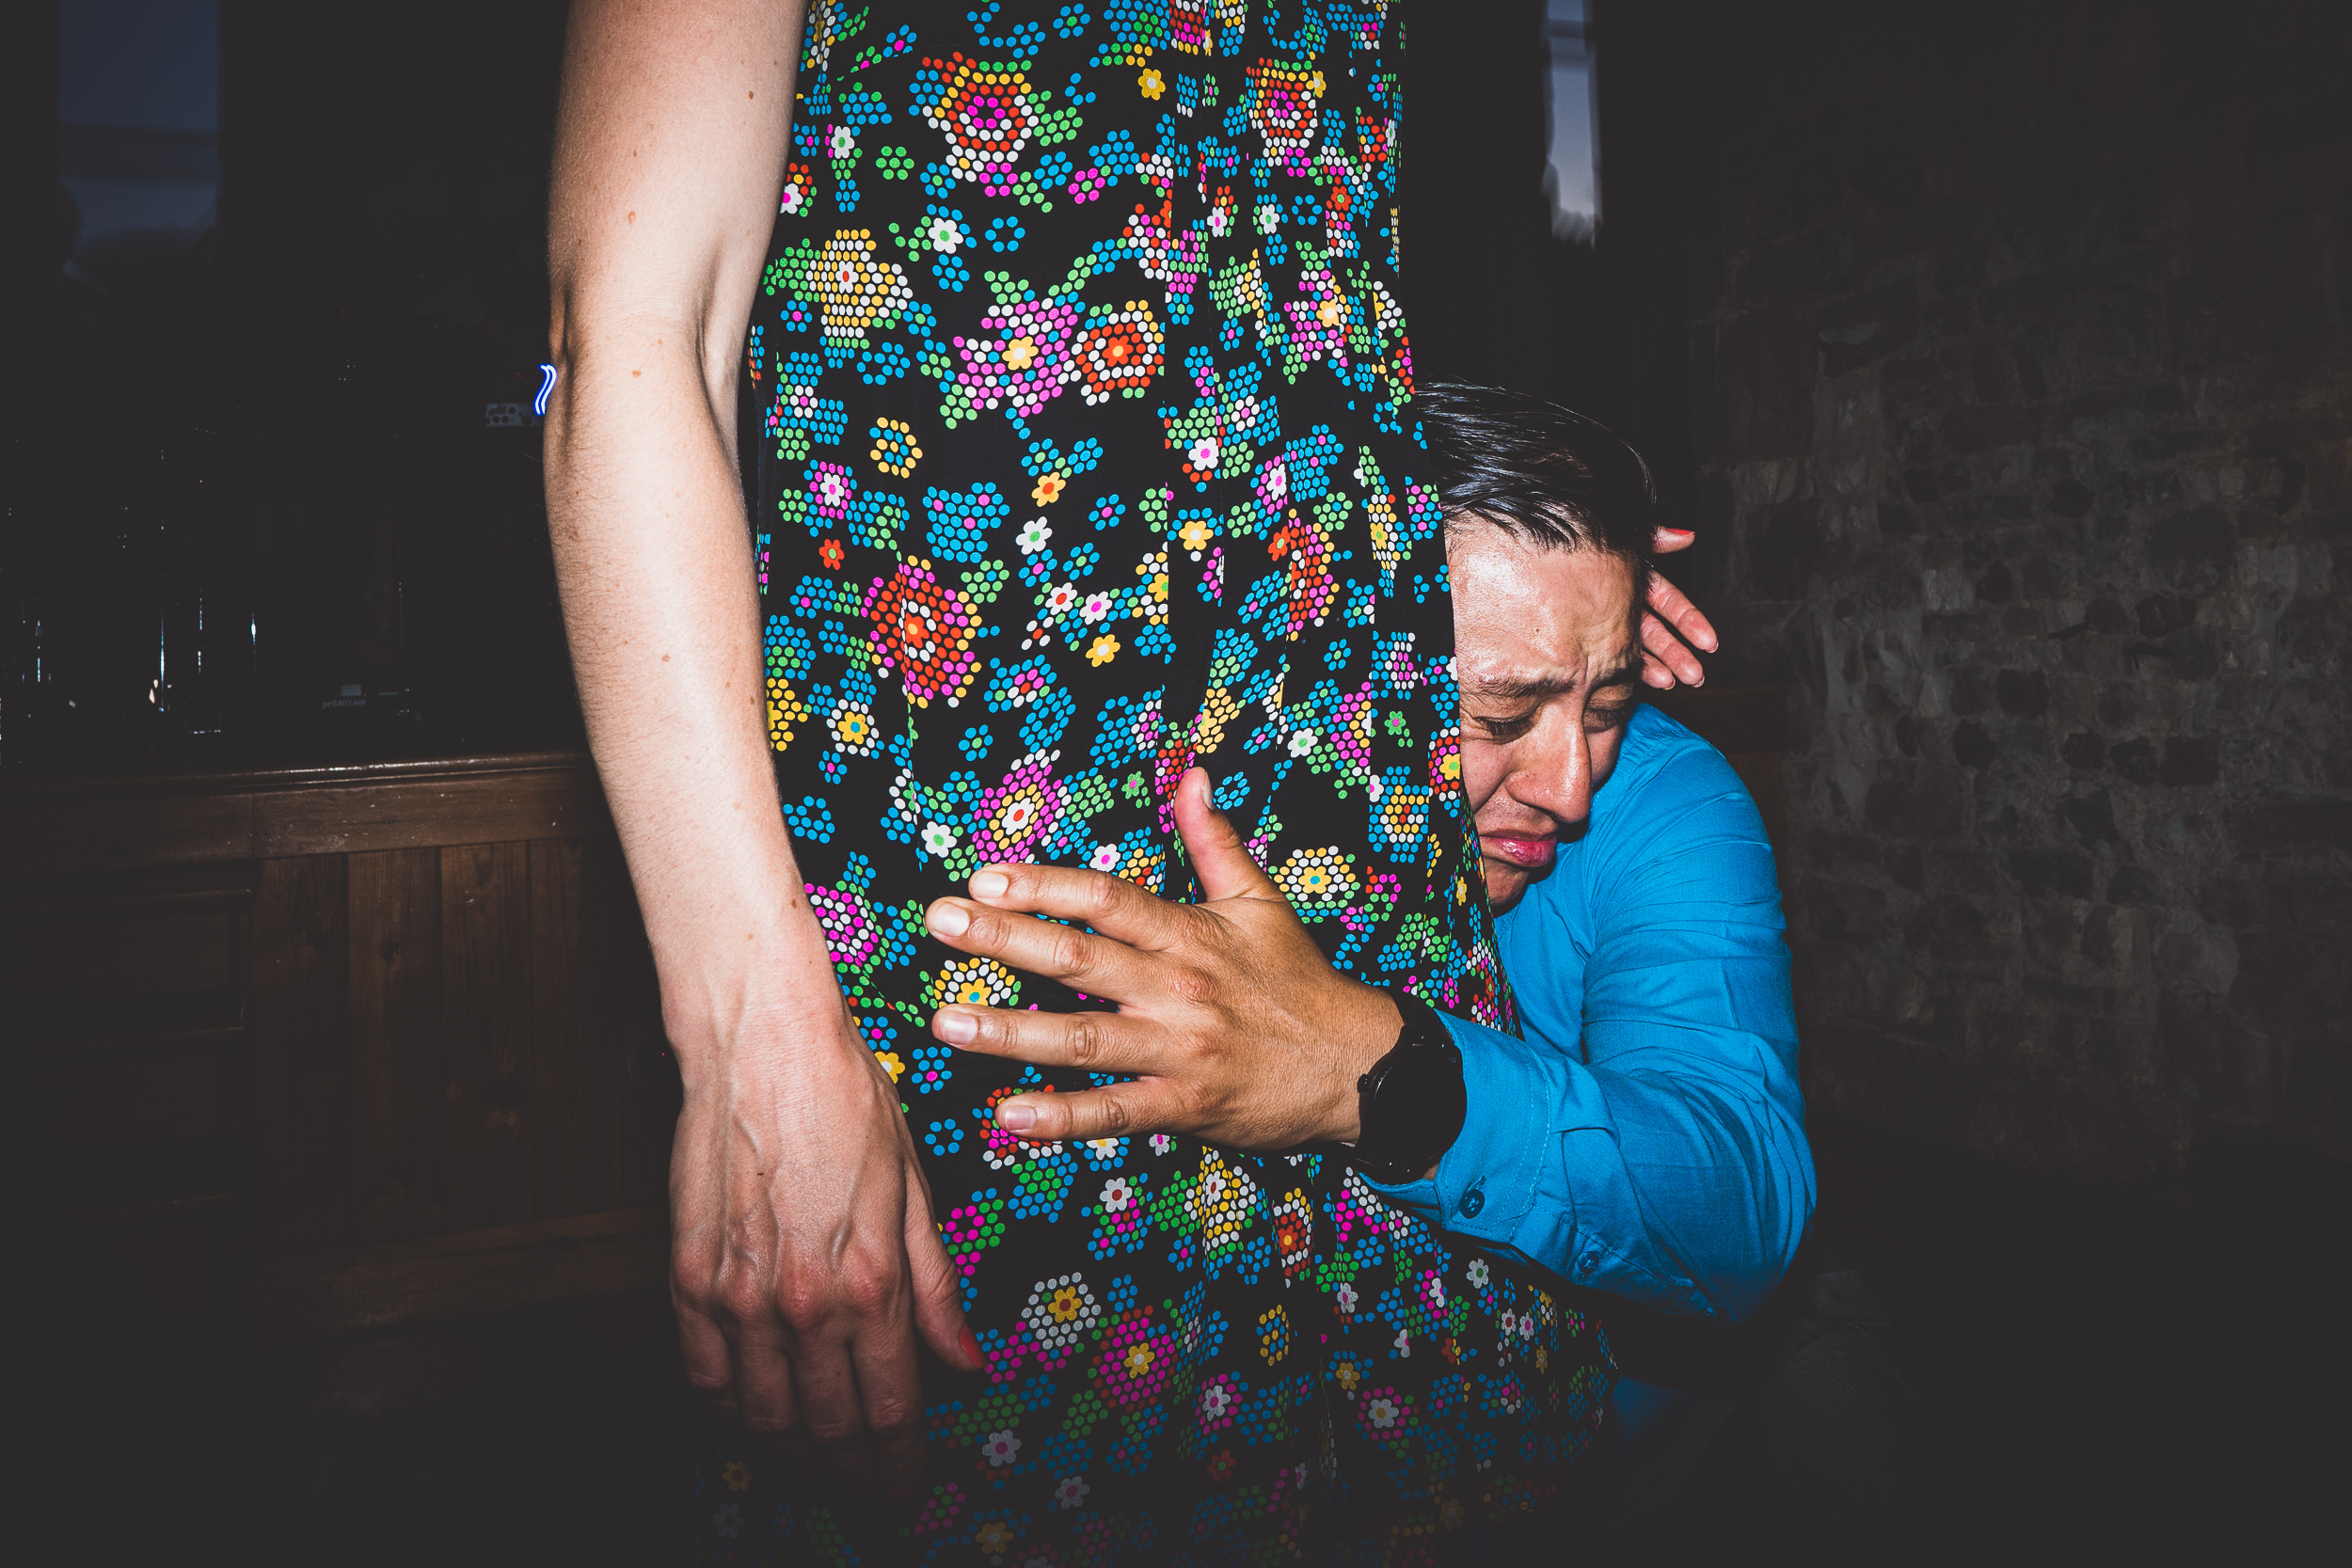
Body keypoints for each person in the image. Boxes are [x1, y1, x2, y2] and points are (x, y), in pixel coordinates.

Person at [544, 4, 1714, 1560]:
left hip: (1356, 886)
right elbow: (633, 329)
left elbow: (1268, 312)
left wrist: (1545, 568)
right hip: (991, 896)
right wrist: (747, 1023)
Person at [920, 382, 1817, 1535]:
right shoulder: (1198, 777)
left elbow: (1738, 1213)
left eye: (1605, 702)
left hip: (1594, 1472)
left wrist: (1382, 1076)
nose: (1568, 785)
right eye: (1499, 714)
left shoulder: (1663, 800)